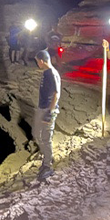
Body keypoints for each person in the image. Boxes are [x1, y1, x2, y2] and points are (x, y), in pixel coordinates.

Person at [34, 50, 61, 179]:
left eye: (37, 61)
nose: (37, 64)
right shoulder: (46, 72)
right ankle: (47, 158)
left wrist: (50, 112)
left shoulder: (51, 73)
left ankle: (48, 166)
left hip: (48, 110)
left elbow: (56, 94)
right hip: (42, 108)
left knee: (46, 138)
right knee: (38, 134)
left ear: (42, 61)